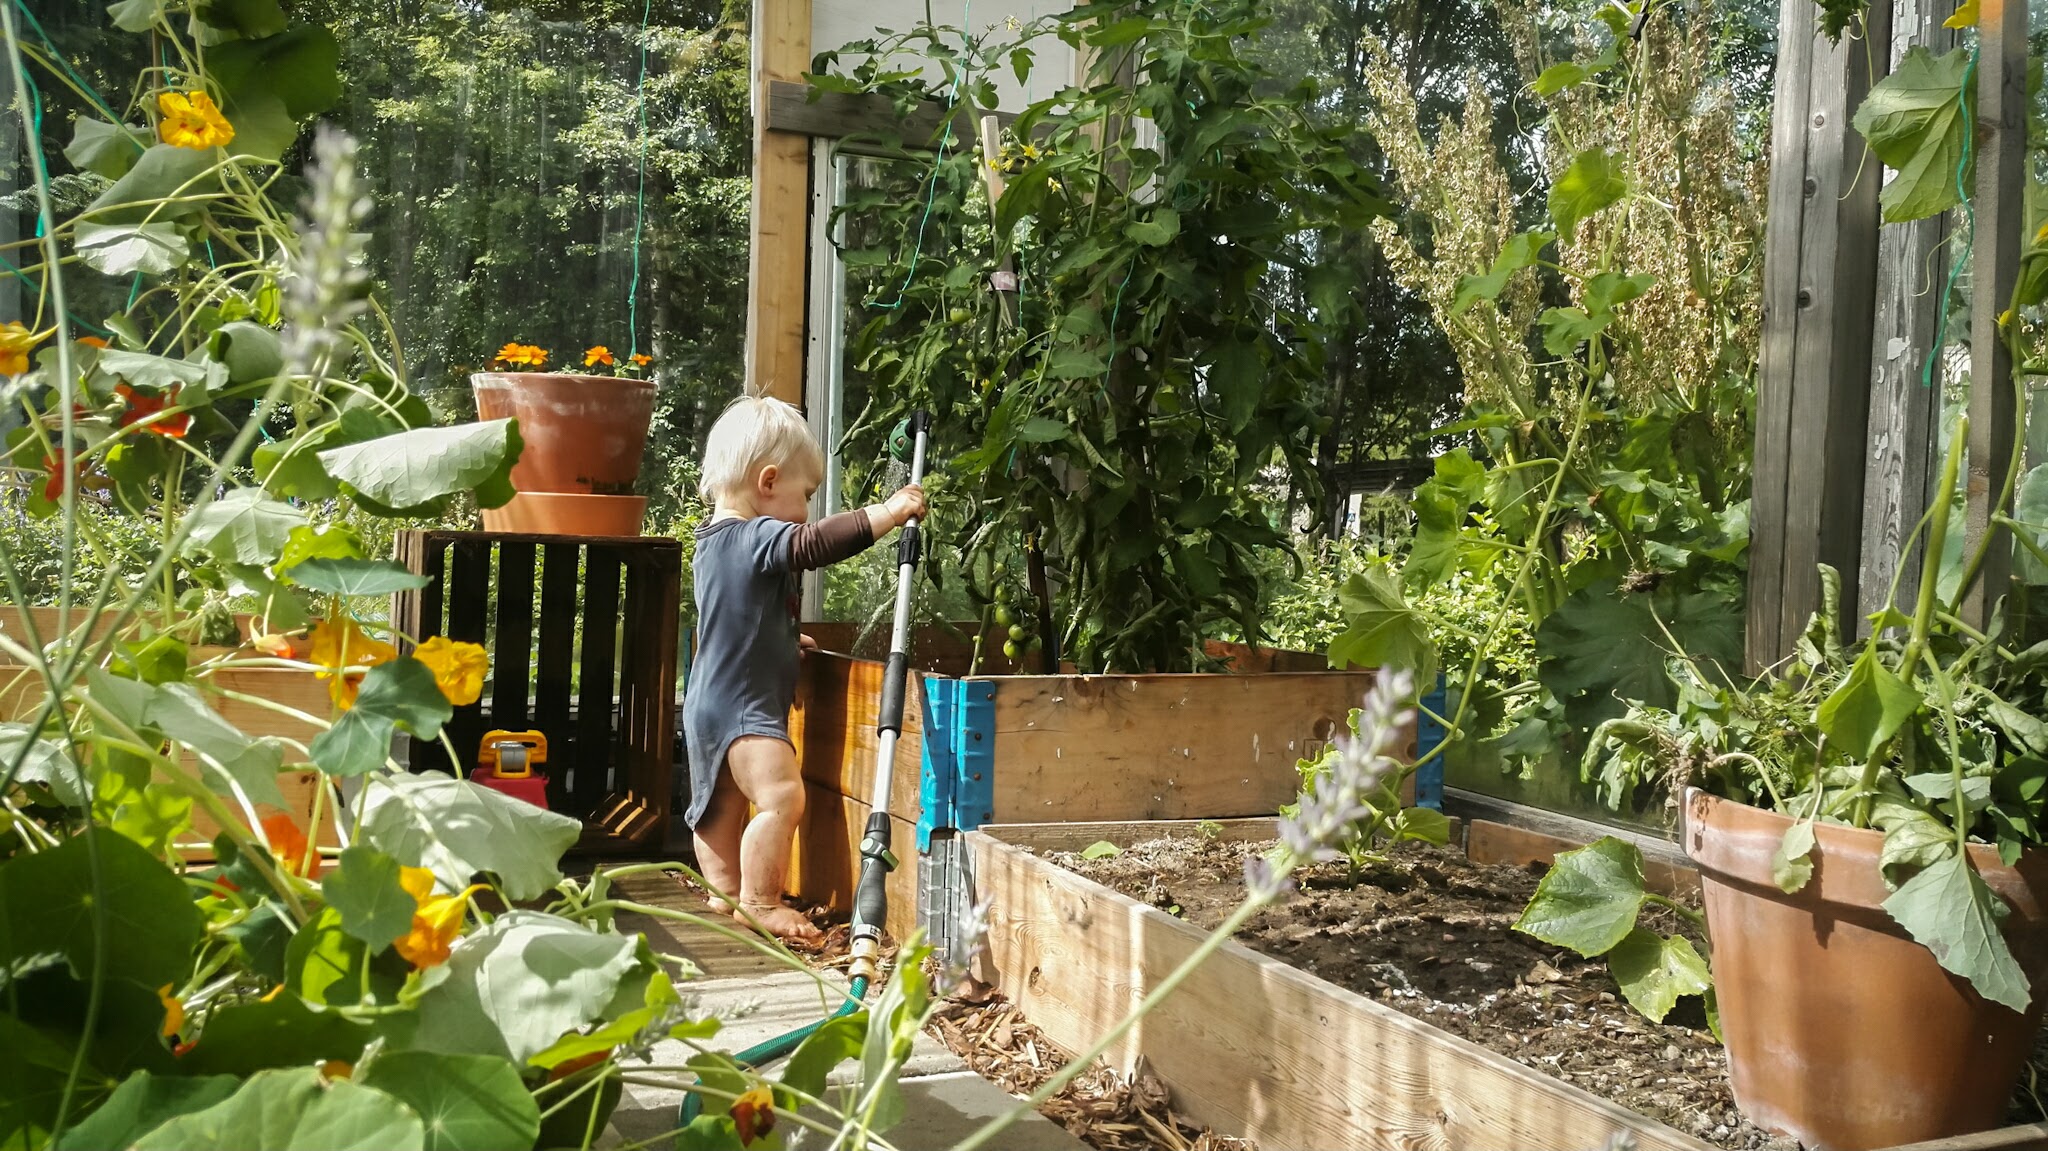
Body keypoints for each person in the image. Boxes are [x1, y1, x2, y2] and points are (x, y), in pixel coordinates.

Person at [684, 395, 925, 942]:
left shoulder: (711, 544)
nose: (807, 511)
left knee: (722, 804)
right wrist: (888, 513)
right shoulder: (755, 536)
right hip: (746, 708)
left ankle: (725, 891)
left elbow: (733, 623)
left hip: (708, 701)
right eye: (807, 494)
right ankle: (761, 900)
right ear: (767, 482)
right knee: (781, 797)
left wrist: (784, 642)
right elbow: (813, 545)